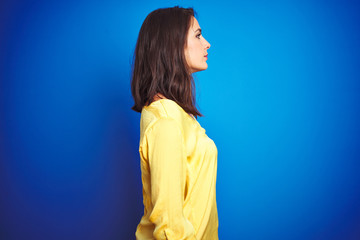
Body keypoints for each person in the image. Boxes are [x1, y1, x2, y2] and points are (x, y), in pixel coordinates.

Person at [131, 6, 218, 240]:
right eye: (198, 36)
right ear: (173, 45)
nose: (207, 43)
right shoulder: (166, 121)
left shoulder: (174, 113)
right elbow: (169, 226)